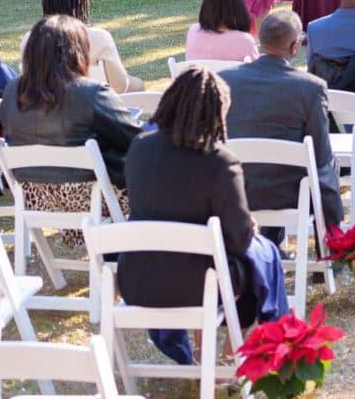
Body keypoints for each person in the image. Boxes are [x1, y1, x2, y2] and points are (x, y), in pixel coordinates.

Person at [119, 67, 289, 365]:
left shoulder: (139, 149)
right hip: (199, 283)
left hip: (139, 279)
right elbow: (238, 241)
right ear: (216, 114)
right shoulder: (219, 162)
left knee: (219, 258)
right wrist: (248, 227)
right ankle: (229, 358)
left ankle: (202, 355)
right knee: (258, 257)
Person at [0, 15, 143, 244]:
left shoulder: (11, 90)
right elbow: (136, 139)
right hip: (91, 196)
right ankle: (128, 246)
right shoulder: (91, 92)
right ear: (78, 50)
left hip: (36, 197)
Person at [221, 11, 344, 232]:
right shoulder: (310, 87)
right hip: (289, 193)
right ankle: (332, 248)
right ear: (295, 47)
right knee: (327, 165)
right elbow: (320, 153)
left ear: (260, 40)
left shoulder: (226, 79)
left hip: (235, 187)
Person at [18, 0, 143, 94]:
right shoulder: (100, 37)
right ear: (82, 8)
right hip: (95, 109)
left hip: (44, 110)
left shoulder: (31, 38)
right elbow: (120, 86)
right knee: (138, 85)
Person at [185, 0, 261, 62]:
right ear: (239, 8)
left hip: (199, 75)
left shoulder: (193, 31)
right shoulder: (245, 41)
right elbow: (258, 72)